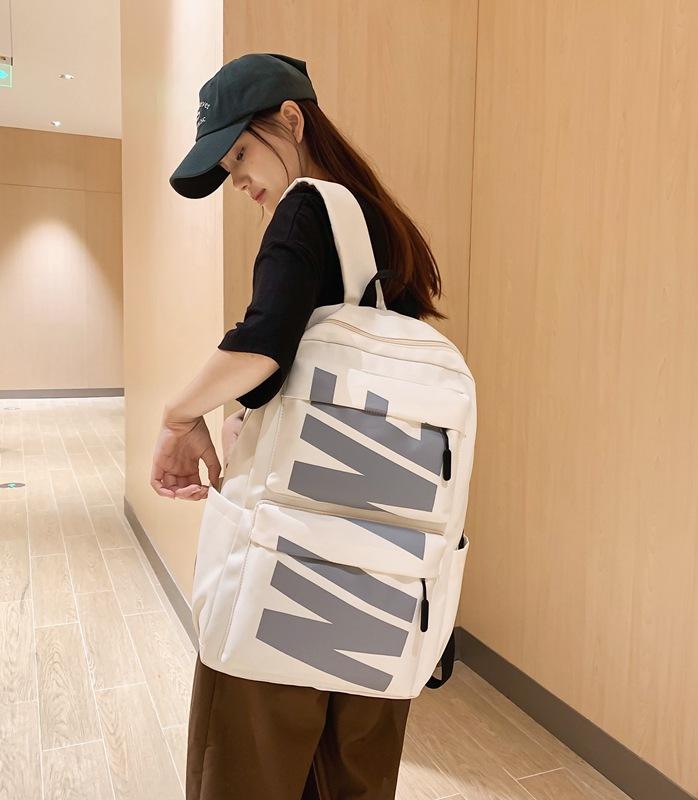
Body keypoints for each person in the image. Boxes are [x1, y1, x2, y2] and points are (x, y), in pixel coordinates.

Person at [150, 53, 448, 799]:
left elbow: (263, 346)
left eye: (240, 154)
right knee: (352, 776)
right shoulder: (386, 228)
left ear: (291, 118)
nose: (238, 180)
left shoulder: (303, 208)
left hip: (290, 570)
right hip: (383, 579)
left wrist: (178, 414)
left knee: (246, 767)